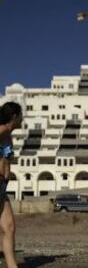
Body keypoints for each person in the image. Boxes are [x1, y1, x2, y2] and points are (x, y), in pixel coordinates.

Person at [0, 102, 22, 267]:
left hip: (2, 186)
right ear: (14, 116)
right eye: (21, 115)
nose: (23, 118)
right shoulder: (2, 130)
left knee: (9, 226)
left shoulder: (8, 134)